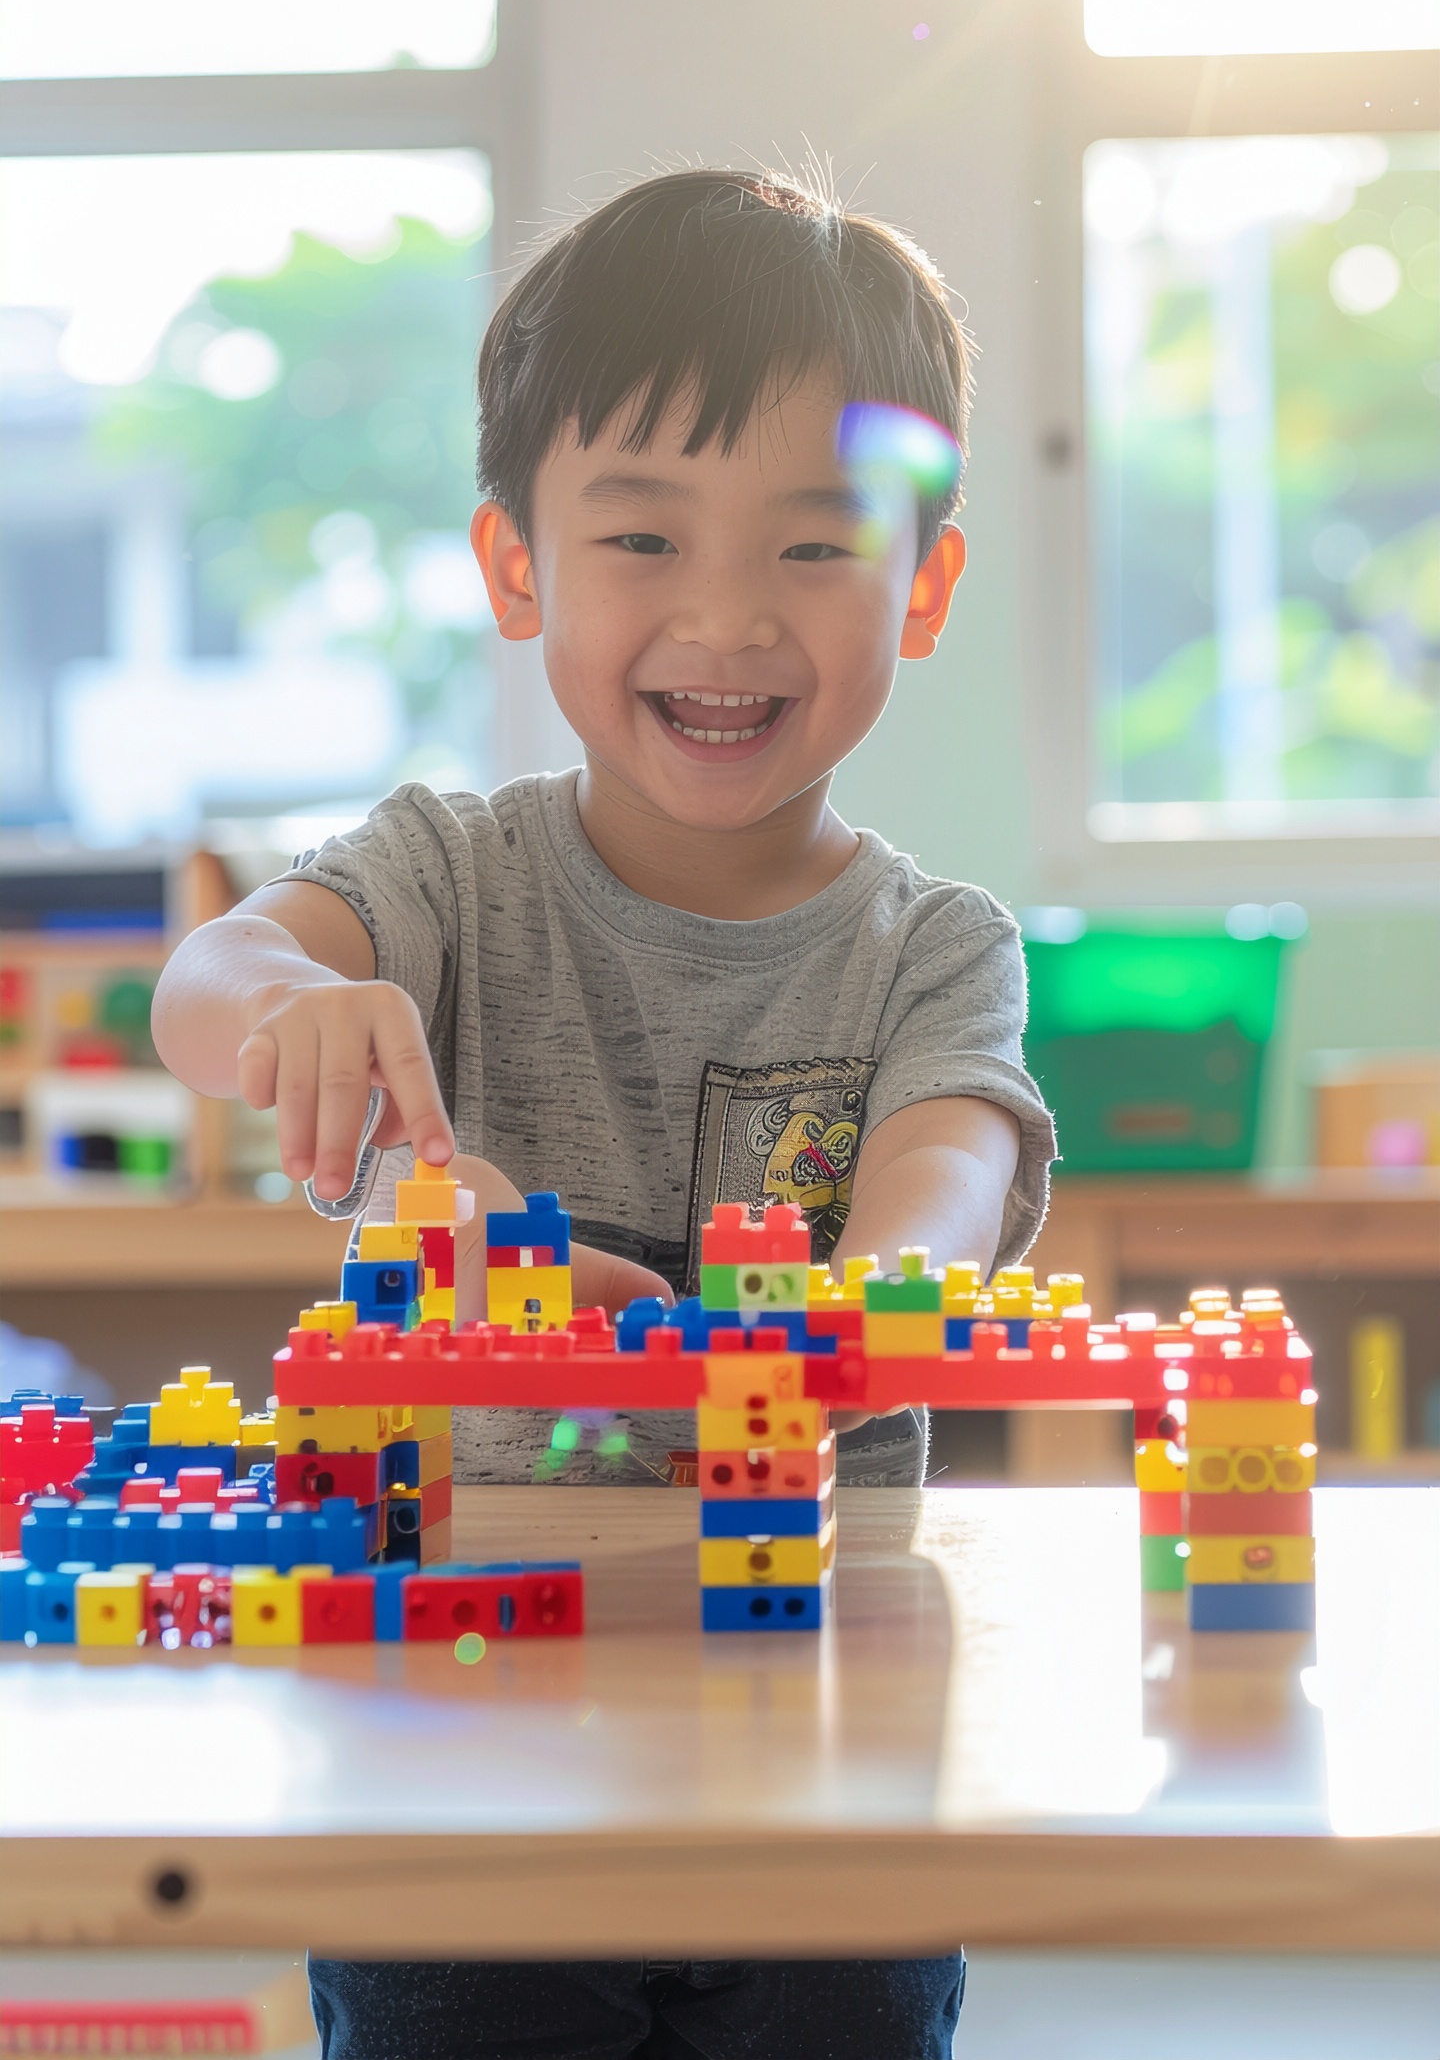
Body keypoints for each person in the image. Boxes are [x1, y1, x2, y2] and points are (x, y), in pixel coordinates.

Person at [154, 166, 1055, 2060]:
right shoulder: (445, 878)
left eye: (817, 549)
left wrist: (879, 1289)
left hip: (822, 1755)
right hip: (454, 1752)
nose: (727, 618)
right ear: (514, 570)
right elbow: (211, 975)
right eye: (644, 538)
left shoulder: (935, 947)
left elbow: (949, 1163)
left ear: (930, 581)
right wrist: (302, 1009)